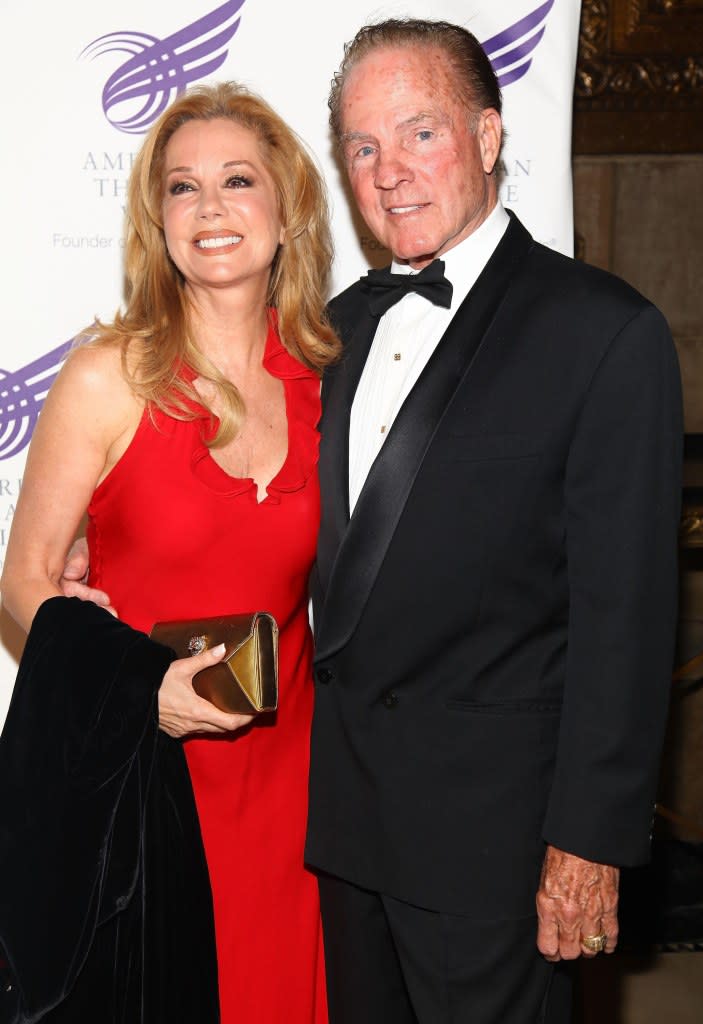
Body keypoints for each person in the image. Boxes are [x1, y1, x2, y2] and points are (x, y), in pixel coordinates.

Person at [303, 18, 683, 1024]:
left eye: (418, 134)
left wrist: (590, 842)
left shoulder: (602, 334)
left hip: (496, 845)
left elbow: (627, 619)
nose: (389, 172)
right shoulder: (334, 331)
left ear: (486, 134)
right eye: (362, 146)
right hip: (345, 830)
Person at [0, 81, 338, 1023]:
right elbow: (25, 582)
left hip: (298, 794)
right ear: (157, 221)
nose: (211, 207)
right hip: (146, 785)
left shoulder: (331, 380)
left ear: (287, 207)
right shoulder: (110, 375)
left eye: (237, 179)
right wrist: (139, 686)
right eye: (182, 188)